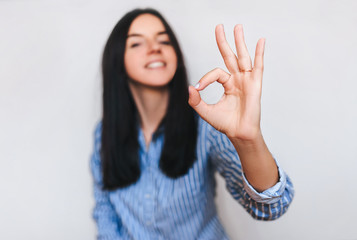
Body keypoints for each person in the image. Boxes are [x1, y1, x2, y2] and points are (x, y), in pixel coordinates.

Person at [90, 8, 294, 240]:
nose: (155, 48)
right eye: (137, 44)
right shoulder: (103, 134)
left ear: (175, 56)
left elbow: (272, 208)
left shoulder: (206, 127)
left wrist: (250, 140)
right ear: (117, 62)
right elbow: (105, 210)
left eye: (164, 40)